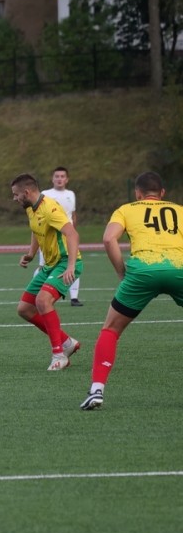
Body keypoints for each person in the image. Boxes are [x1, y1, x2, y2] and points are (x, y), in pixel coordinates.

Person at [81, 171, 183, 410]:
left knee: (111, 329)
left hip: (142, 271)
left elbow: (109, 239)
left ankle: (97, 390)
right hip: (179, 268)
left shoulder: (126, 209)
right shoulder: (179, 210)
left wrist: (121, 272)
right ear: (162, 193)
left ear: (138, 193)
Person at [12, 173, 82, 371]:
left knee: (43, 301)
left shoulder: (50, 209)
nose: (14, 198)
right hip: (49, 265)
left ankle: (59, 355)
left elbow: (72, 234)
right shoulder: (31, 208)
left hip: (65, 262)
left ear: (26, 192)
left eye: (16, 194)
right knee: (24, 309)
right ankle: (67, 343)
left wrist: (71, 266)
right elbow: (36, 230)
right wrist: (31, 254)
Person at [40, 166, 83, 306]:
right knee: (44, 266)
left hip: (67, 237)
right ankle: (39, 294)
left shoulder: (71, 194)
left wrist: (73, 234)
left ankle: (74, 298)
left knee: (72, 264)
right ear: (52, 179)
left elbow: (73, 215)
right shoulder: (45, 194)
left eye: (62, 176)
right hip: (50, 238)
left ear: (67, 179)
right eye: (57, 176)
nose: (59, 179)